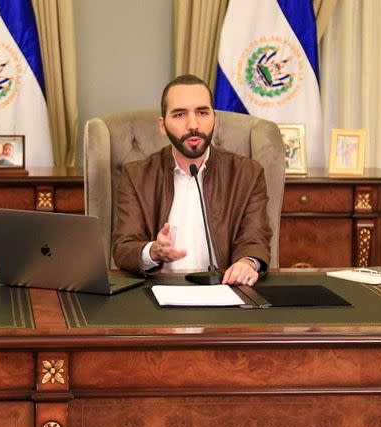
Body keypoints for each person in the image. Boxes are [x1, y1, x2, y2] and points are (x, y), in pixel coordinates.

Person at [112, 74, 272, 286]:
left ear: (214, 117)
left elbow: (255, 238)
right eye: (179, 115)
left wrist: (246, 263)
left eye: (202, 112)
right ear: (162, 125)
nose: (193, 124)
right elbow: (123, 247)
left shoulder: (247, 174)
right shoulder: (136, 176)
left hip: (225, 292)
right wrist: (153, 251)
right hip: (158, 294)